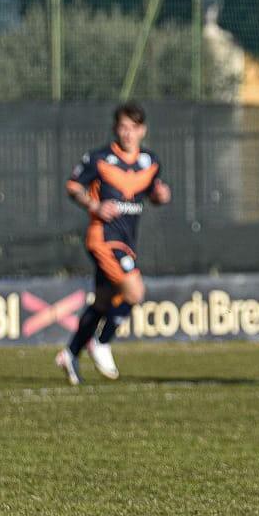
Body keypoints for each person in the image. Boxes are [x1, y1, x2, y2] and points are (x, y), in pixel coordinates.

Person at [56, 102, 170, 384]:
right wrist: (94, 205)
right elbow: (73, 186)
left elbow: (153, 193)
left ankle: (70, 353)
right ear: (115, 128)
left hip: (127, 240)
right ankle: (101, 342)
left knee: (105, 302)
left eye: (133, 128)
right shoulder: (100, 158)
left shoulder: (150, 162)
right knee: (134, 292)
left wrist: (160, 196)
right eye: (122, 127)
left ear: (142, 130)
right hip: (104, 238)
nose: (127, 133)